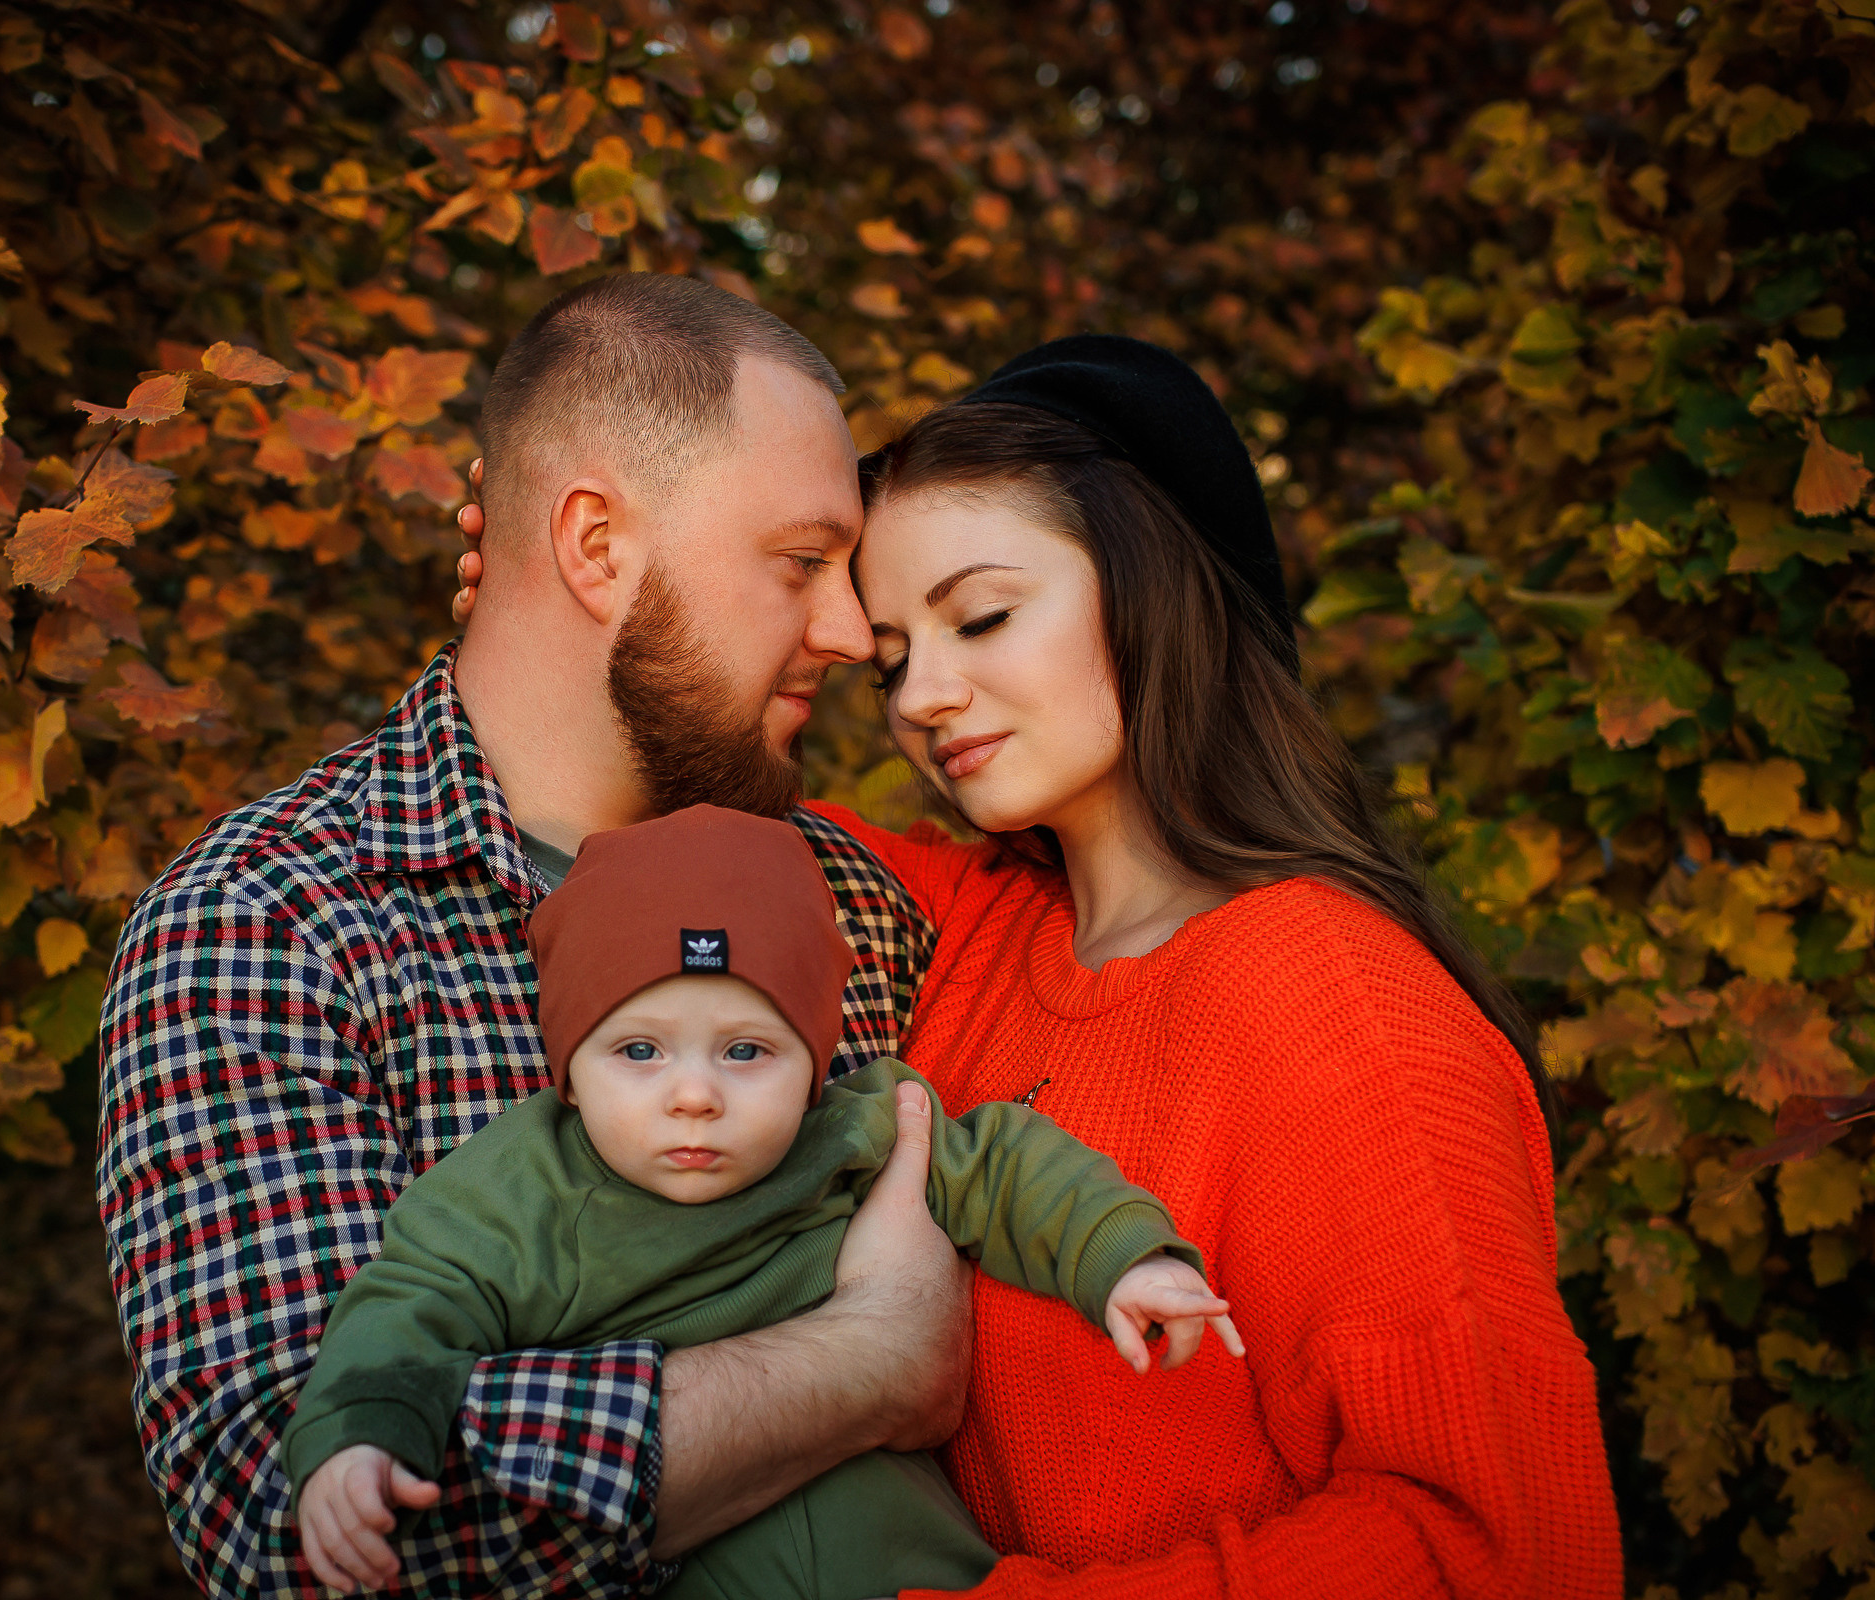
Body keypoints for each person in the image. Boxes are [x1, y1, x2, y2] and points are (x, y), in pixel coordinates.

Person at [448, 334, 1622, 1595]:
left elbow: (1504, 1550)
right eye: (894, 657)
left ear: (1152, 582)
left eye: (985, 615)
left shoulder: (1340, 1002)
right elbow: (648, 762)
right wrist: (572, 595)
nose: (923, 698)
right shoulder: (963, 927)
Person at [97, 273, 979, 1599]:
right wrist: (866, 1364)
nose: (855, 634)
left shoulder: (855, 899)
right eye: (801, 563)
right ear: (595, 547)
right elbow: (298, 1525)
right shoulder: (275, 920)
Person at [284, 806, 1241, 1598]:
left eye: (747, 1051)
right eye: (640, 1051)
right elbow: (406, 1311)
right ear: (568, 1069)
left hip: (919, 1570)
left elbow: (1007, 1162)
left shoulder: (853, 1129)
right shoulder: (518, 1192)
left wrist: (1125, 1256)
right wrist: (362, 1436)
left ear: (815, 1063)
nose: (694, 1093)